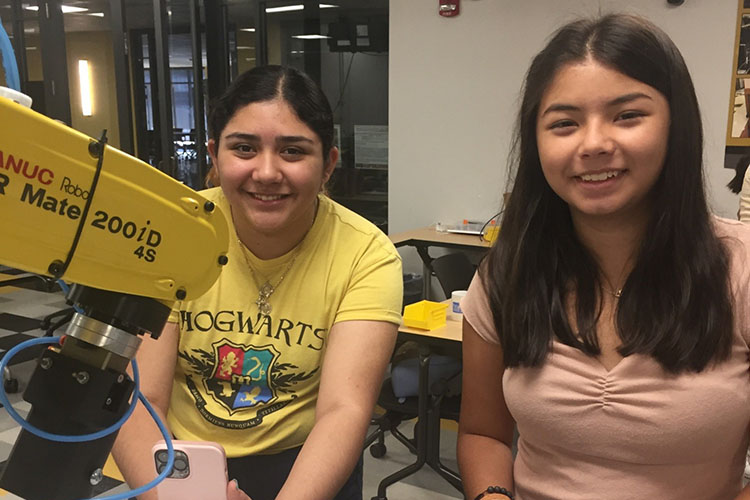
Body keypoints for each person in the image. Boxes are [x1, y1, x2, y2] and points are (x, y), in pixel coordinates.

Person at [457, 13, 750, 500]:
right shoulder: (507, 273)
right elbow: (483, 433)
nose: (593, 144)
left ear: (676, 126)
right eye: (564, 123)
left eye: (627, 116)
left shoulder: (739, 269)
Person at [112, 65, 403, 500]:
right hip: (178, 459)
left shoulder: (366, 254)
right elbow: (140, 398)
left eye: (293, 151)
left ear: (329, 164)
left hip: (306, 463)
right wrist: (173, 496)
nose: (266, 172)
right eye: (244, 148)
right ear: (214, 156)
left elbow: (344, 410)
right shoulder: (171, 233)